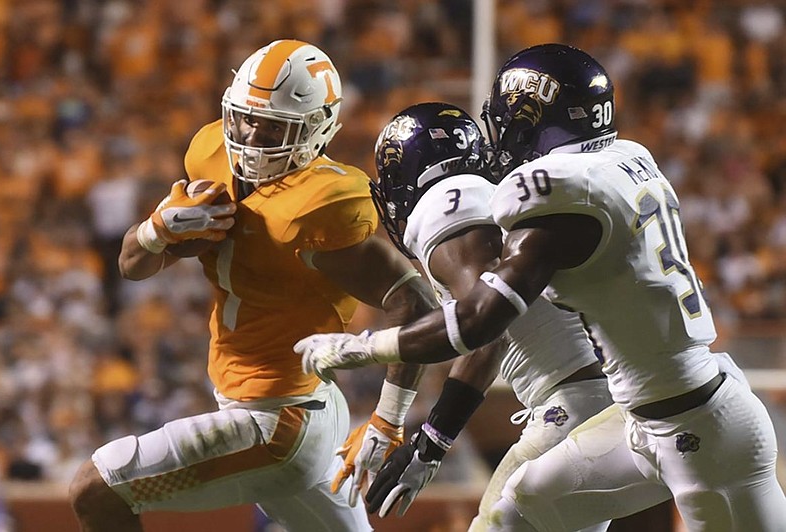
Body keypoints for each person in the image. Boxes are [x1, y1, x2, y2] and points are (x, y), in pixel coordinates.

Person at [295, 43, 786, 531]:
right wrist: (430, 441)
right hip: (646, 419)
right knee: (520, 506)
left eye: (509, 123)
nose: (502, 141)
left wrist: (361, 348)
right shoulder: (628, 156)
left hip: (695, 427)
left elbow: (482, 320)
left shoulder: (548, 190)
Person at [68, 39, 437, 532]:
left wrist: (390, 417)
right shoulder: (211, 154)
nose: (250, 136)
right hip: (294, 403)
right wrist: (157, 230)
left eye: (271, 126)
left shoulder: (322, 205)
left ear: (316, 130)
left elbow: (416, 303)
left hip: (279, 422)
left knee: (95, 488)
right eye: (244, 118)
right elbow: (131, 265)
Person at [355, 101, 612, 532]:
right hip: (605, 399)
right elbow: (493, 328)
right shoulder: (497, 195)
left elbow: (486, 328)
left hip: (574, 406)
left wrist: (431, 442)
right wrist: (430, 439)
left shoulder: (445, 208)